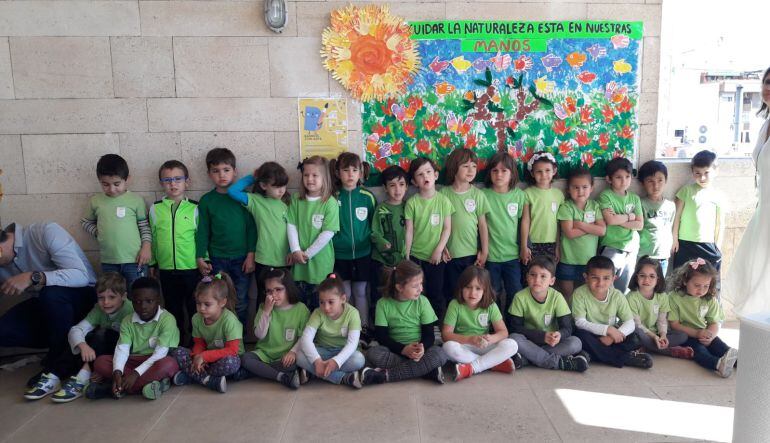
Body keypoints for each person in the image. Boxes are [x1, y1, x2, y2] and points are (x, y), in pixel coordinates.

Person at [0, 222, 97, 400]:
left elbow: (81, 276)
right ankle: (66, 351)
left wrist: (34, 276)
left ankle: (57, 365)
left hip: (82, 298)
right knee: (4, 330)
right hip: (47, 308)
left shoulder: (44, 232)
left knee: (51, 293)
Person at [88, 277, 180, 400]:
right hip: (133, 360)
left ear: (158, 300)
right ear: (131, 301)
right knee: (100, 362)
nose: (143, 306)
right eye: (137, 302)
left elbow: (160, 354)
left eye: (149, 301)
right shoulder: (127, 320)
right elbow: (122, 349)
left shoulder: (167, 319)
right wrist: (117, 372)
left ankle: (111, 388)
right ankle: (142, 385)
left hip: (156, 360)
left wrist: (135, 374)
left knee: (170, 364)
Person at [48, 273, 134, 403]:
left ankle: (82, 378)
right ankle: (54, 376)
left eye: (111, 297)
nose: (106, 302)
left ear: (123, 296)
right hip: (102, 352)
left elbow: (132, 344)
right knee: (83, 338)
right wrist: (82, 346)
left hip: (123, 354)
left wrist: (100, 368)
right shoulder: (99, 309)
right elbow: (76, 329)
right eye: (101, 298)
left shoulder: (130, 311)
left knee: (105, 334)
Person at [195, 147, 257, 325]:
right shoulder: (207, 200)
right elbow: (203, 231)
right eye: (216, 171)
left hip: (242, 259)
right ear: (209, 174)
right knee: (215, 302)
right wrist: (200, 257)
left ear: (235, 172)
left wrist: (251, 254)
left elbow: (252, 228)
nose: (221, 175)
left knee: (241, 301)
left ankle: (239, 343)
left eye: (226, 170)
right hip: (216, 259)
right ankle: (219, 338)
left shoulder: (244, 198)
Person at [726, 66, 770, 314]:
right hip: (763, 208)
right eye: (767, 82)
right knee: (755, 276)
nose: (768, 88)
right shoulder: (765, 126)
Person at [361, 260, 448, 386]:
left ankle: (384, 376)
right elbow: (382, 337)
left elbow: (429, 334)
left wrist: (422, 347)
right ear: (399, 287)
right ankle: (426, 371)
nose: (421, 289)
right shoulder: (383, 303)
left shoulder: (422, 302)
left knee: (440, 354)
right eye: (415, 286)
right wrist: (403, 350)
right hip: (396, 350)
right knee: (373, 354)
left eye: (421, 284)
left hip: (420, 351)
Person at [81, 154, 151, 287]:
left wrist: (146, 247)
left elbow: (144, 226)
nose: (112, 189)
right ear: (99, 180)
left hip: (135, 259)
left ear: (127, 179)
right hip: (109, 261)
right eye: (105, 184)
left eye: (117, 184)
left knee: (137, 293)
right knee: (112, 295)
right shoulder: (96, 201)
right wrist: (98, 232)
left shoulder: (136, 200)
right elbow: (85, 222)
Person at [149, 160, 199, 342]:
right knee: (172, 309)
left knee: (194, 308)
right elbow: (153, 238)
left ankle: (196, 342)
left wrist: (204, 260)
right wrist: (153, 262)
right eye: (167, 180)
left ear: (187, 182)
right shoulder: (155, 209)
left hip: (191, 268)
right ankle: (176, 342)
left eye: (178, 179)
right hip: (166, 269)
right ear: (161, 183)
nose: (173, 184)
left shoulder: (195, 208)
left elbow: (201, 237)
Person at [572, 256, 653, 369]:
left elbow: (629, 322)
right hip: (591, 334)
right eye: (595, 277)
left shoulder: (617, 296)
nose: (600, 283)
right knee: (579, 336)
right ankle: (624, 358)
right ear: (586, 277)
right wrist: (607, 329)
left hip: (611, 337)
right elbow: (580, 322)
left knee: (635, 336)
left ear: (613, 279)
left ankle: (591, 354)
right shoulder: (579, 294)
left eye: (606, 278)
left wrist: (611, 337)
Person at [227, 161, 292, 303]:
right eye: (276, 187)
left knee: (284, 299)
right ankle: (261, 326)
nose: (281, 190)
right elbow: (232, 191)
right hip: (264, 260)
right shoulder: (256, 201)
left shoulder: (288, 203)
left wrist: (292, 251)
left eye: (283, 186)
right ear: (263, 185)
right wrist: (253, 176)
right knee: (264, 300)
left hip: (285, 260)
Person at [508, 256, 587, 372]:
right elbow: (514, 328)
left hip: (551, 344)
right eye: (533, 275)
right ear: (527, 277)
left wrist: (559, 334)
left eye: (543, 276)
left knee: (575, 342)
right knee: (513, 339)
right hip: (529, 341)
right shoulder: (520, 297)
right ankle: (559, 362)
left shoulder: (557, 297)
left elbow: (567, 328)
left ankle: (528, 358)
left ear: (552, 281)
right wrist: (542, 336)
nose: (537, 280)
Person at [171, 272, 244, 393]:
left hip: (227, 357)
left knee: (231, 363)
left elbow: (232, 350)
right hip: (207, 357)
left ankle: (193, 376)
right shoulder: (196, 318)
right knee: (177, 352)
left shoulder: (230, 320)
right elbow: (199, 343)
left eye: (207, 304)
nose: (201, 308)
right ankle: (208, 379)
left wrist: (204, 357)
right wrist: (197, 356)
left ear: (222, 302)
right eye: (198, 303)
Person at [441, 266, 517, 381]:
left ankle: (471, 368)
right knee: (448, 347)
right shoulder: (455, 304)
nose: (472, 292)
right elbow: (446, 334)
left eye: (478, 288)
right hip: (465, 346)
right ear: (461, 288)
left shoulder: (490, 305)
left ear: (485, 290)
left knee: (512, 344)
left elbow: (503, 332)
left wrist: (491, 338)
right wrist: (470, 339)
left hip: (484, 345)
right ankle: (493, 364)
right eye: (468, 287)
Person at [241, 268, 310, 389]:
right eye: (269, 291)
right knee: (246, 359)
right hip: (264, 354)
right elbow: (259, 335)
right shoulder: (264, 307)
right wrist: (267, 311)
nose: (273, 295)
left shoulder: (301, 309)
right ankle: (281, 376)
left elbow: (304, 337)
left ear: (288, 288)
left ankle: (262, 371)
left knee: (301, 361)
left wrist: (293, 352)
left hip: (287, 356)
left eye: (278, 289)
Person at [669, 259, 738, 377]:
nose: (701, 290)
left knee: (721, 347)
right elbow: (674, 324)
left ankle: (745, 363)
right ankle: (717, 364)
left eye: (706, 286)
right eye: (697, 285)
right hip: (684, 335)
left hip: (704, 333)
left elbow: (714, 322)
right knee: (700, 351)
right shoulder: (674, 297)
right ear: (685, 281)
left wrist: (710, 336)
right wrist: (697, 333)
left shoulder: (709, 299)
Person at [330, 152, 376, 330]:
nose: (350, 174)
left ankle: (363, 328)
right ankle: (348, 329)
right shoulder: (333, 197)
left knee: (361, 292)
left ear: (361, 173)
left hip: (363, 254)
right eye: (346, 170)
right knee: (346, 293)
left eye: (354, 170)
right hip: (340, 255)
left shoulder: (367, 196)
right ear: (337, 173)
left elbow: (374, 225)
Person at [287, 156, 340, 309]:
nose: (310, 179)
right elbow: (291, 224)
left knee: (320, 306)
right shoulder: (297, 199)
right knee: (300, 306)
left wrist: (307, 253)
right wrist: (296, 250)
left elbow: (327, 233)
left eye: (315, 175)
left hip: (320, 263)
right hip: (299, 262)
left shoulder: (330, 202)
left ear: (325, 178)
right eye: (306, 175)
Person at [440, 148, 490, 307]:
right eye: (465, 166)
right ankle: (450, 326)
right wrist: (442, 247)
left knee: (471, 291)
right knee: (452, 291)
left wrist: (485, 250)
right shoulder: (444, 194)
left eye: (474, 166)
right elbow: (440, 225)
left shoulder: (478, 195)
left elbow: (482, 225)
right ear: (454, 168)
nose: (471, 170)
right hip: (450, 255)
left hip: (471, 254)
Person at [404, 157, 453, 318]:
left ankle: (437, 325)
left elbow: (447, 229)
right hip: (416, 257)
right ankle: (419, 324)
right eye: (420, 174)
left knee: (436, 293)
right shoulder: (412, 203)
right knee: (417, 294)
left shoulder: (444, 201)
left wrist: (439, 250)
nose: (425, 177)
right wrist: (407, 256)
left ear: (436, 175)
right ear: (414, 181)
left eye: (428, 172)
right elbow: (409, 231)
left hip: (435, 258)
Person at [295, 274, 365, 388]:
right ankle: (344, 378)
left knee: (359, 360)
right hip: (322, 351)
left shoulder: (353, 313)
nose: (326, 307)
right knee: (298, 356)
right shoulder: (318, 313)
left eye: (331, 302)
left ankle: (312, 373)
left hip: (343, 351)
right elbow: (306, 339)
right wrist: (317, 361)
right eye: (322, 302)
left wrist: (336, 362)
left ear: (343, 299)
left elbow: (352, 344)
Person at [482, 152, 527, 310]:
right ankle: (495, 325)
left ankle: (512, 325)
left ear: (512, 173)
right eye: (495, 170)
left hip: (513, 256)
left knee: (515, 291)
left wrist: (523, 247)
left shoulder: (519, 195)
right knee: (493, 292)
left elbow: (524, 223)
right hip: (491, 256)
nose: (499, 174)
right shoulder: (483, 195)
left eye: (504, 170)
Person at [556, 168, 606, 302]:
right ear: (568, 189)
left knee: (586, 295)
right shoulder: (566, 207)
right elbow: (569, 233)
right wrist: (592, 227)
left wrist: (580, 224)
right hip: (568, 260)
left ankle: (582, 321)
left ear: (592, 188)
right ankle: (568, 321)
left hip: (588, 262)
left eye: (585, 187)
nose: (580, 191)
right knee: (567, 295)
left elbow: (602, 231)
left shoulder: (594, 206)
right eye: (575, 187)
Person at [626, 257, 692, 358]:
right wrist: (654, 337)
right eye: (642, 276)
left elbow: (662, 321)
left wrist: (663, 335)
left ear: (658, 279)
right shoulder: (631, 297)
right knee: (635, 334)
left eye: (652, 276)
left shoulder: (662, 297)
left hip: (655, 333)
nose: (647, 280)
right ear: (636, 277)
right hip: (639, 332)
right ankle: (670, 351)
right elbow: (637, 325)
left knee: (683, 336)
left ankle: (648, 347)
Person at [672, 150, 725, 273]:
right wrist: (674, 239)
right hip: (685, 243)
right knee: (680, 278)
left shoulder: (718, 196)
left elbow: (720, 224)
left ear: (716, 171)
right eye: (698, 173)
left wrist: (718, 246)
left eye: (706, 173)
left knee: (709, 278)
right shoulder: (685, 191)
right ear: (692, 172)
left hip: (708, 244)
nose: (702, 177)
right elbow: (677, 217)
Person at [598, 157, 643, 293]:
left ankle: (618, 315)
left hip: (631, 248)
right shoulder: (605, 196)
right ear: (609, 179)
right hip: (611, 246)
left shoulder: (634, 198)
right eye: (618, 177)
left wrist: (618, 218)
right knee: (605, 286)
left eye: (627, 177)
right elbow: (610, 221)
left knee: (623, 289)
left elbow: (640, 224)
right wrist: (630, 217)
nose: (624, 181)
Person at [370, 165, 408, 317]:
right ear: (385, 188)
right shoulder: (381, 209)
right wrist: (382, 242)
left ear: (407, 186)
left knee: (402, 293)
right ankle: (379, 323)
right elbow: (374, 232)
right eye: (392, 185)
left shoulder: (409, 206)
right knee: (381, 293)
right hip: (382, 261)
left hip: (404, 260)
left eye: (401, 184)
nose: (397, 190)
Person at [521, 152, 563, 264]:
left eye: (547, 170)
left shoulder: (558, 195)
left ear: (554, 171)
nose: (544, 175)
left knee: (548, 276)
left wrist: (558, 246)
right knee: (530, 275)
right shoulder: (527, 194)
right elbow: (525, 221)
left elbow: (559, 223)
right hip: (532, 244)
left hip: (552, 243)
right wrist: (524, 246)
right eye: (539, 171)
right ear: (532, 173)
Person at [637, 161, 676, 276]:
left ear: (666, 180)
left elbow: (670, 226)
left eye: (660, 180)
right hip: (644, 256)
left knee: (659, 288)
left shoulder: (670, 205)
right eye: (650, 181)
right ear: (642, 183)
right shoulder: (640, 203)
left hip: (663, 256)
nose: (656, 186)